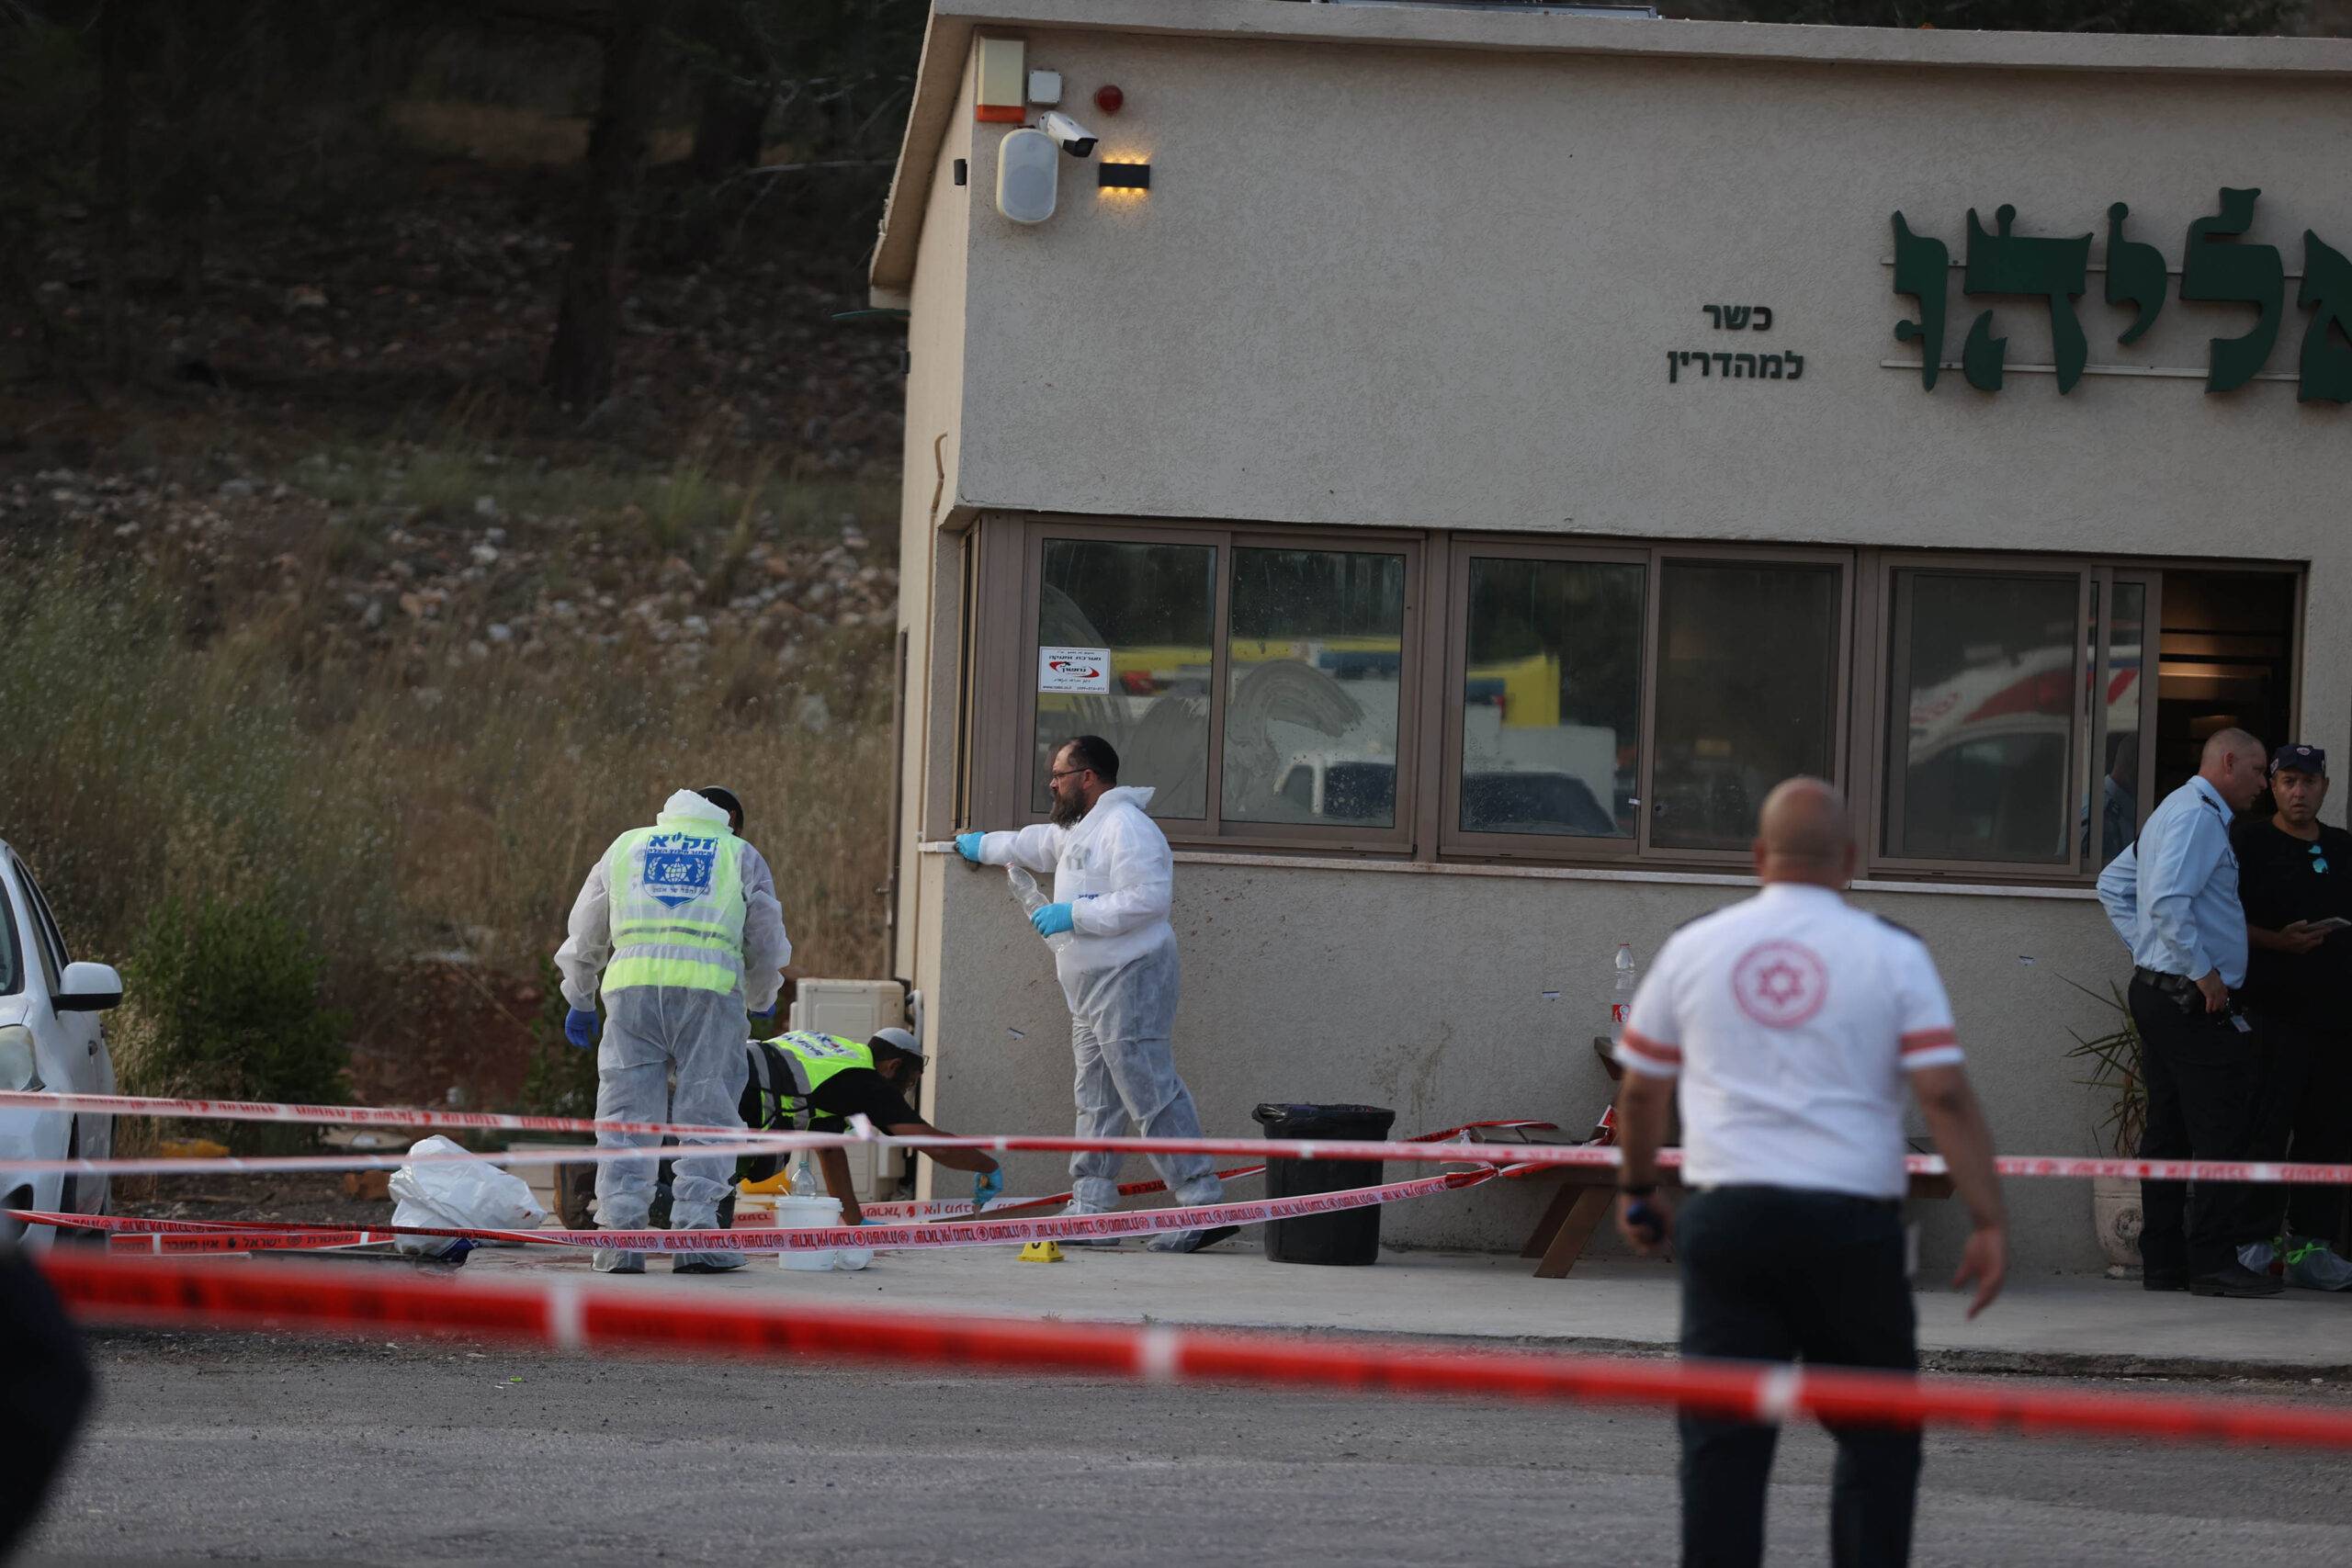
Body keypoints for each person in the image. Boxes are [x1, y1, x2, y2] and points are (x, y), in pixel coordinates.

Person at [1611, 777, 2006, 1568]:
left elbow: (1642, 1088)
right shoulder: (1894, 951)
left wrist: (1637, 1189)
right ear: (1851, 860)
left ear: (1757, 856)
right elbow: (1946, 1094)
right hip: (1852, 1230)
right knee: (1879, 1442)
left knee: (1722, 1452)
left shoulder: (1696, 945)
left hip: (1729, 1224)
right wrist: (1990, 1219)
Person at [955, 735, 1235, 1253]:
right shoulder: (1085, 828)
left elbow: (1149, 899)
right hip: (1089, 986)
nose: (1052, 784)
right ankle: (1090, 1208)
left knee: (1149, 1089)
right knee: (1097, 1097)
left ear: (1087, 776)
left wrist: (1075, 915)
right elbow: (1035, 842)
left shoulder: (1128, 827)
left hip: (1128, 976)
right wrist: (983, 844)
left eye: (1059, 774)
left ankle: (1203, 1204)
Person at [555, 785, 792, 1275]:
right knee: (707, 1118)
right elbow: (766, 940)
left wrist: (579, 995)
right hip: (709, 997)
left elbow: (586, 927)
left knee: (625, 1119)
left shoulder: (627, 845)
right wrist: (762, 994)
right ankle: (697, 1239)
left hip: (631, 993)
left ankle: (621, 1243)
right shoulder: (738, 854)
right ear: (728, 819)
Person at [2096, 727, 2276, 1298]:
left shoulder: (2173, 808)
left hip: (2159, 993)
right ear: (2227, 762)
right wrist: (2200, 972)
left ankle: (2166, 1261)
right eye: (2258, 771)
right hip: (2189, 999)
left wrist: (2149, 950)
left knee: (2168, 1129)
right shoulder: (2199, 816)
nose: (2264, 785)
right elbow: (2167, 901)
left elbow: (2115, 884)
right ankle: (2213, 1263)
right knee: (2221, 1128)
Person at [2231, 744, 2352, 1265]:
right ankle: (2254, 1243)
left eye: (2308, 782)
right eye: (2287, 782)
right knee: (2264, 1129)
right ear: (2273, 788)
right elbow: (2217, 917)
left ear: (2325, 787)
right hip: (2270, 1013)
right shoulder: (2248, 840)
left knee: (2326, 1135)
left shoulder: (2345, 847)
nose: (2299, 792)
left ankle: (2311, 1248)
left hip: (2335, 1019)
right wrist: (2277, 941)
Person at [739, 1027, 1004, 1221]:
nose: (905, 1091)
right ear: (893, 1065)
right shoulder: (868, 1082)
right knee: (714, 1178)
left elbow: (830, 1148)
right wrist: (987, 1165)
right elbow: (933, 1144)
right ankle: (708, 1251)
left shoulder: (836, 1055)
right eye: (909, 1082)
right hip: (739, 1102)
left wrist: (856, 1221)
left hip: (727, 1069)